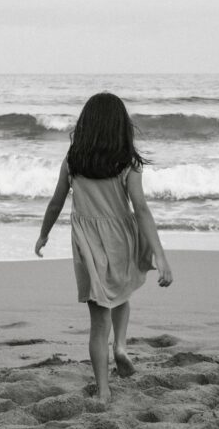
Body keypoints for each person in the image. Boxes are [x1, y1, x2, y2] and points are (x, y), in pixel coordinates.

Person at [35, 92, 173, 403]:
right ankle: (120, 346)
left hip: (88, 243)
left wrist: (44, 234)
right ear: (120, 126)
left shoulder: (73, 161)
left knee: (98, 321)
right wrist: (160, 256)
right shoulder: (127, 163)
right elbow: (141, 208)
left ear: (86, 124)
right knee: (121, 293)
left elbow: (56, 202)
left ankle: (103, 390)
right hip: (121, 238)